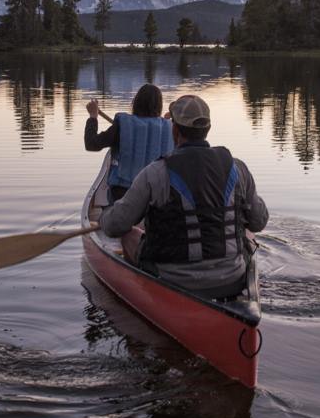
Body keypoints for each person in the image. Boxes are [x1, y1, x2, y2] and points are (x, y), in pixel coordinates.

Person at [100, 93, 268, 298]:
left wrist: (105, 216)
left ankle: (143, 292)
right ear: (207, 130)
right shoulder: (238, 168)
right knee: (248, 236)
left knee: (128, 233)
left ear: (175, 130)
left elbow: (114, 226)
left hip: (174, 280)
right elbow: (258, 222)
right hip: (232, 278)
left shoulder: (156, 172)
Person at [85, 83, 172, 201]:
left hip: (123, 194)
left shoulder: (123, 125)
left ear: (136, 102)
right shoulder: (170, 128)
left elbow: (91, 144)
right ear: (159, 106)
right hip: (156, 194)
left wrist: (93, 117)